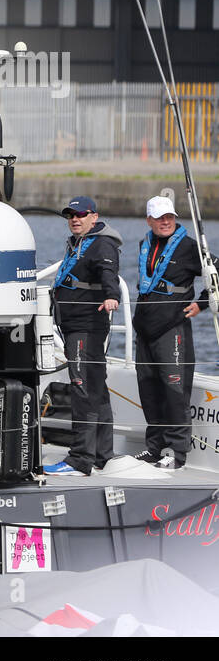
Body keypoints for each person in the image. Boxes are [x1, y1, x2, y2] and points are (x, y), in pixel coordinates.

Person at [43, 196, 121, 477]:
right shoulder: (78, 242)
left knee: (82, 389)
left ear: (93, 216)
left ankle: (80, 460)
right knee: (96, 388)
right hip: (75, 325)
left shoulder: (102, 243)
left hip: (86, 327)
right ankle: (102, 456)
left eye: (80, 214)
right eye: (70, 215)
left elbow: (108, 272)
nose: (75, 219)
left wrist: (113, 296)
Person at [131, 195, 209, 470]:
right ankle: (154, 447)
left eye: (170, 217)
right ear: (149, 220)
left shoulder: (189, 247)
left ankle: (177, 452)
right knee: (148, 389)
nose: (166, 222)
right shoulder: (144, 245)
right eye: (160, 217)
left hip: (172, 327)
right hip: (145, 327)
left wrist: (203, 302)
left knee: (175, 390)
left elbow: (216, 271)